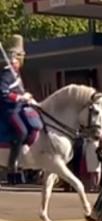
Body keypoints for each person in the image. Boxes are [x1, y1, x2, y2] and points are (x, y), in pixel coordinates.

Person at [0, 35, 42, 185]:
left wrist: (28, 98)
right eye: (16, 57)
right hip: (8, 109)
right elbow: (3, 92)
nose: (17, 61)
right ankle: (12, 165)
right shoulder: (6, 73)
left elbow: (19, 91)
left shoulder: (16, 74)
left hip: (19, 108)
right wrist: (20, 98)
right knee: (22, 131)